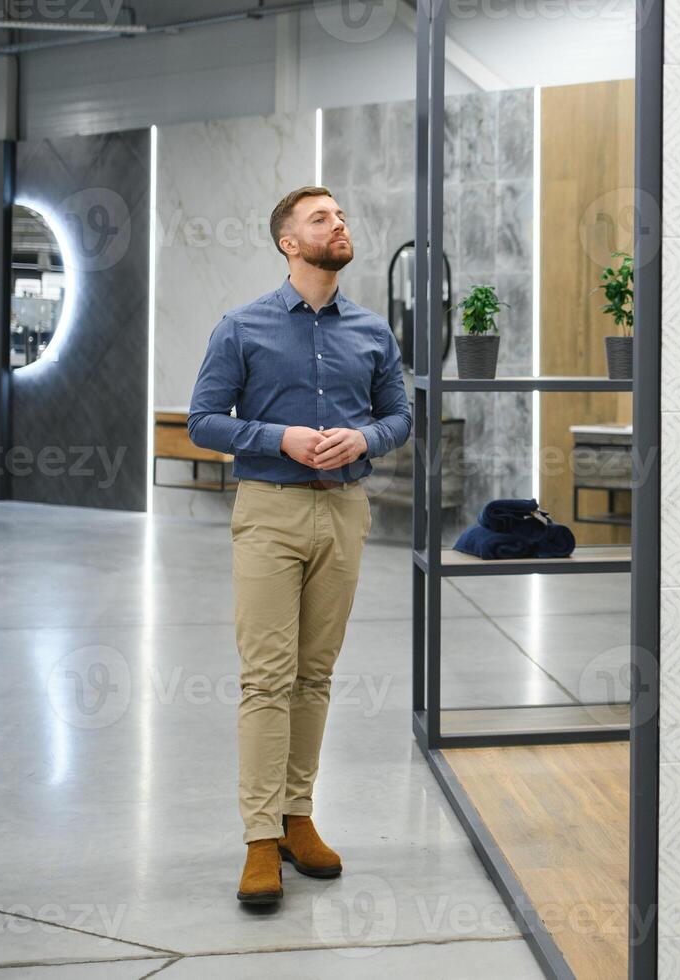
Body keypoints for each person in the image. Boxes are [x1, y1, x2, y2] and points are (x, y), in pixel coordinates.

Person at [188, 185, 412, 905]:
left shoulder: (372, 331)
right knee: (267, 678)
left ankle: (296, 817)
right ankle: (258, 838)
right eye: (322, 218)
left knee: (313, 676)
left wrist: (366, 436)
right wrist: (276, 437)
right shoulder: (242, 326)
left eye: (341, 216)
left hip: (345, 510)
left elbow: (400, 415)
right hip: (270, 511)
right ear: (289, 241)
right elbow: (202, 421)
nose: (338, 224)